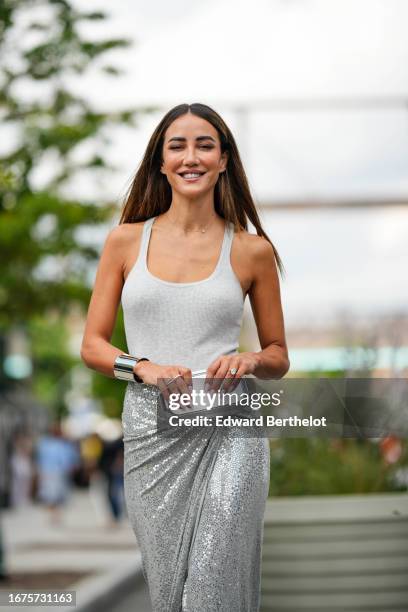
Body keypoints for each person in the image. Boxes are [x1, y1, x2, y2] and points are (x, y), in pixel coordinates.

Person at [80, 102, 289, 611]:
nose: (190, 156)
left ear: (223, 161)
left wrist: (250, 361)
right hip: (152, 430)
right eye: (177, 145)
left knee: (211, 587)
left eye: (204, 145)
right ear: (161, 162)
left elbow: (279, 354)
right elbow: (92, 345)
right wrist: (142, 368)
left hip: (230, 428)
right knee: (170, 593)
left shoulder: (250, 250)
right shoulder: (124, 242)